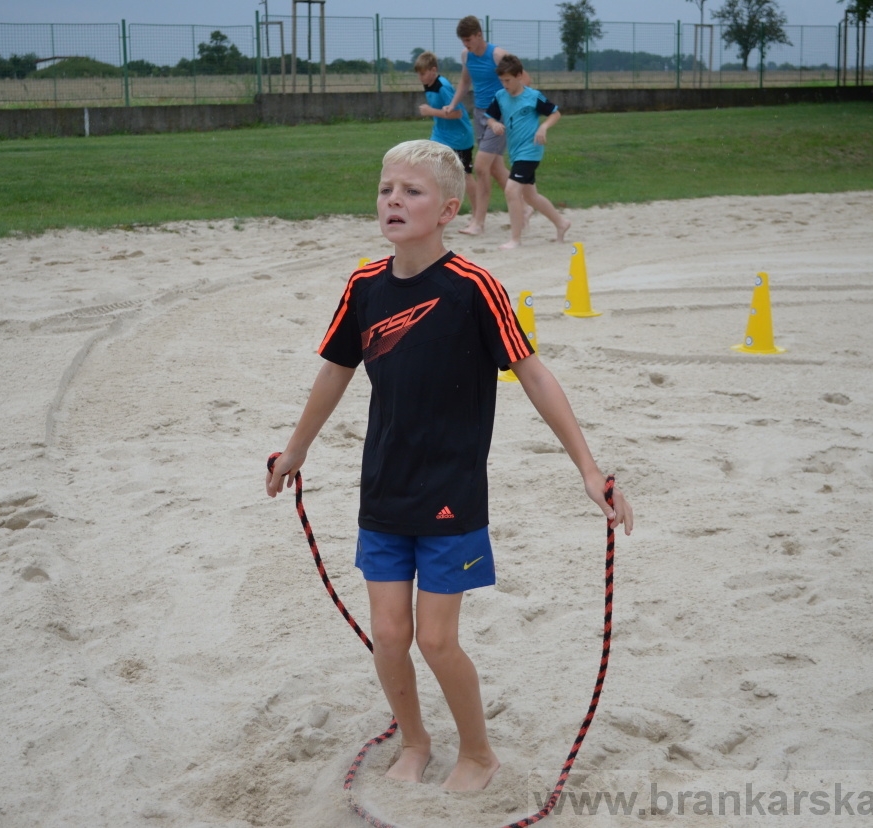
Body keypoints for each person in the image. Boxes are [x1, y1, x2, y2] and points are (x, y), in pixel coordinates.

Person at [266, 139, 633, 793]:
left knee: (436, 640)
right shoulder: (364, 286)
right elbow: (335, 372)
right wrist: (296, 450)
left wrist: (587, 467)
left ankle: (479, 753)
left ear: (448, 209)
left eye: (411, 191)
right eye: (386, 190)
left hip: (449, 493)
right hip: (383, 487)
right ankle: (413, 739)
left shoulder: (473, 288)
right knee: (387, 632)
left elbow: (533, 374)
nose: (393, 202)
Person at [484, 54, 572, 250]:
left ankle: (515, 238)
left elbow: (555, 113)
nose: (504, 84)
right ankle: (561, 223)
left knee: (511, 190)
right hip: (515, 153)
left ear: (519, 76)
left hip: (531, 151)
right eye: (501, 81)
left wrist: (543, 128)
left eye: (507, 80)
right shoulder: (500, 97)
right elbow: (488, 117)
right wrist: (494, 124)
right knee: (531, 196)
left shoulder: (533, 97)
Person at [443, 15, 512, 237]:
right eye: (463, 41)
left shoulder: (498, 55)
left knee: (481, 168)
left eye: (469, 40)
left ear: (479, 35)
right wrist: (453, 104)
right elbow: (465, 82)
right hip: (480, 114)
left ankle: (478, 222)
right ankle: (525, 205)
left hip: (498, 116)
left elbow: (524, 80)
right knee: (496, 169)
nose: (466, 45)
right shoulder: (467, 56)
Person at [414, 50, 478, 219]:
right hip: (440, 135)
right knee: (429, 168)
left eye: (423, 73)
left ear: (433, 70)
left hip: (459, 137)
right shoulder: (429, 84)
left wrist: (431, 111)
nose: (420, 77)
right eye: (418, 74)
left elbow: (457, 113)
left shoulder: (443, 87)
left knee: (465, 175)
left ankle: (478, 211)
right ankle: (435, 209)